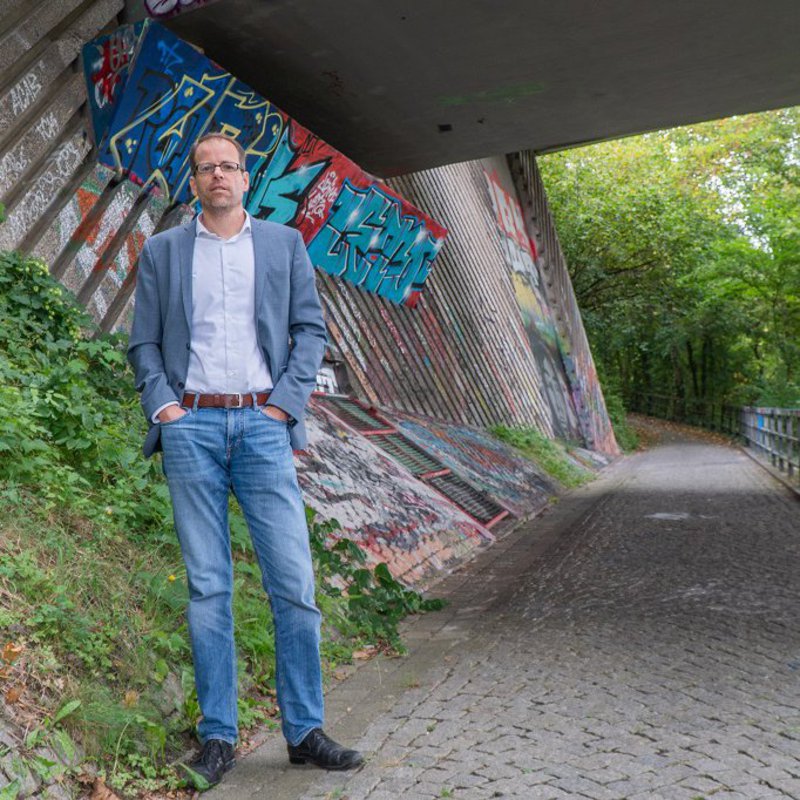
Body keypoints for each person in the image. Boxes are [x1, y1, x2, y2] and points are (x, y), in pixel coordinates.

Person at [127, 132, 363, 787]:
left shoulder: (283, 246)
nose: (218, 176)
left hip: (264, 427)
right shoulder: (165, 252)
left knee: (295, 584)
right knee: (209, 587)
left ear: (246, 177)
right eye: (206, 168)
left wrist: (285, 406)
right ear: (195, 182)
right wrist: (165, 410)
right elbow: (143, 342)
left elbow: (309, 330)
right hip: (192, 426)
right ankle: (219, 738)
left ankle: (305, 731)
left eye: (228, 166)